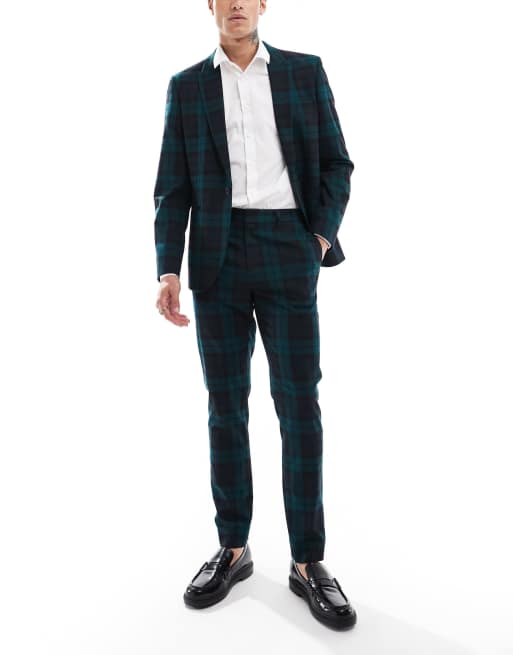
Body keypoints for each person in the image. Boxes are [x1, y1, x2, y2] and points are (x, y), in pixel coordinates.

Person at [154, 0, 357, 630]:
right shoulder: (187, 87)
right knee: (225, 406)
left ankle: (308, 560)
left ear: (263, 3)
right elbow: (172, 188)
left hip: (288, 248)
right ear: (211, 6)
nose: (237, 4)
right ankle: (234, 548)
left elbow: (336, 163)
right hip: (216, 261)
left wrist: (316, 239)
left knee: (299, 405)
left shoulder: (303, 71)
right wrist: (168, 269)